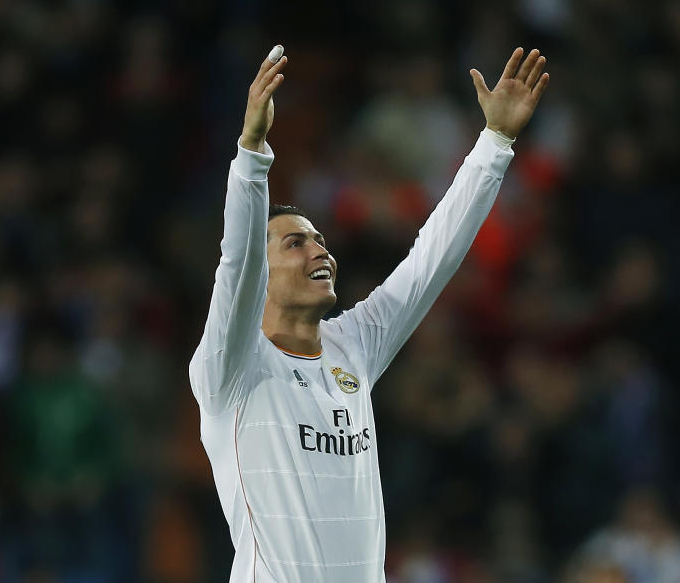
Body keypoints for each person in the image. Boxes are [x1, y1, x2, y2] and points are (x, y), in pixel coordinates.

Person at [190, 43, 549, 582]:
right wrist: (252, 154)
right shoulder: (230, 370)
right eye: (295, 244)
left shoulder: (352, 346)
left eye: (321, 240)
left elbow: (431, 260)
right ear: (262, 278)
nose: (320, 251)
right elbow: (235, 263)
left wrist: (495, 144)